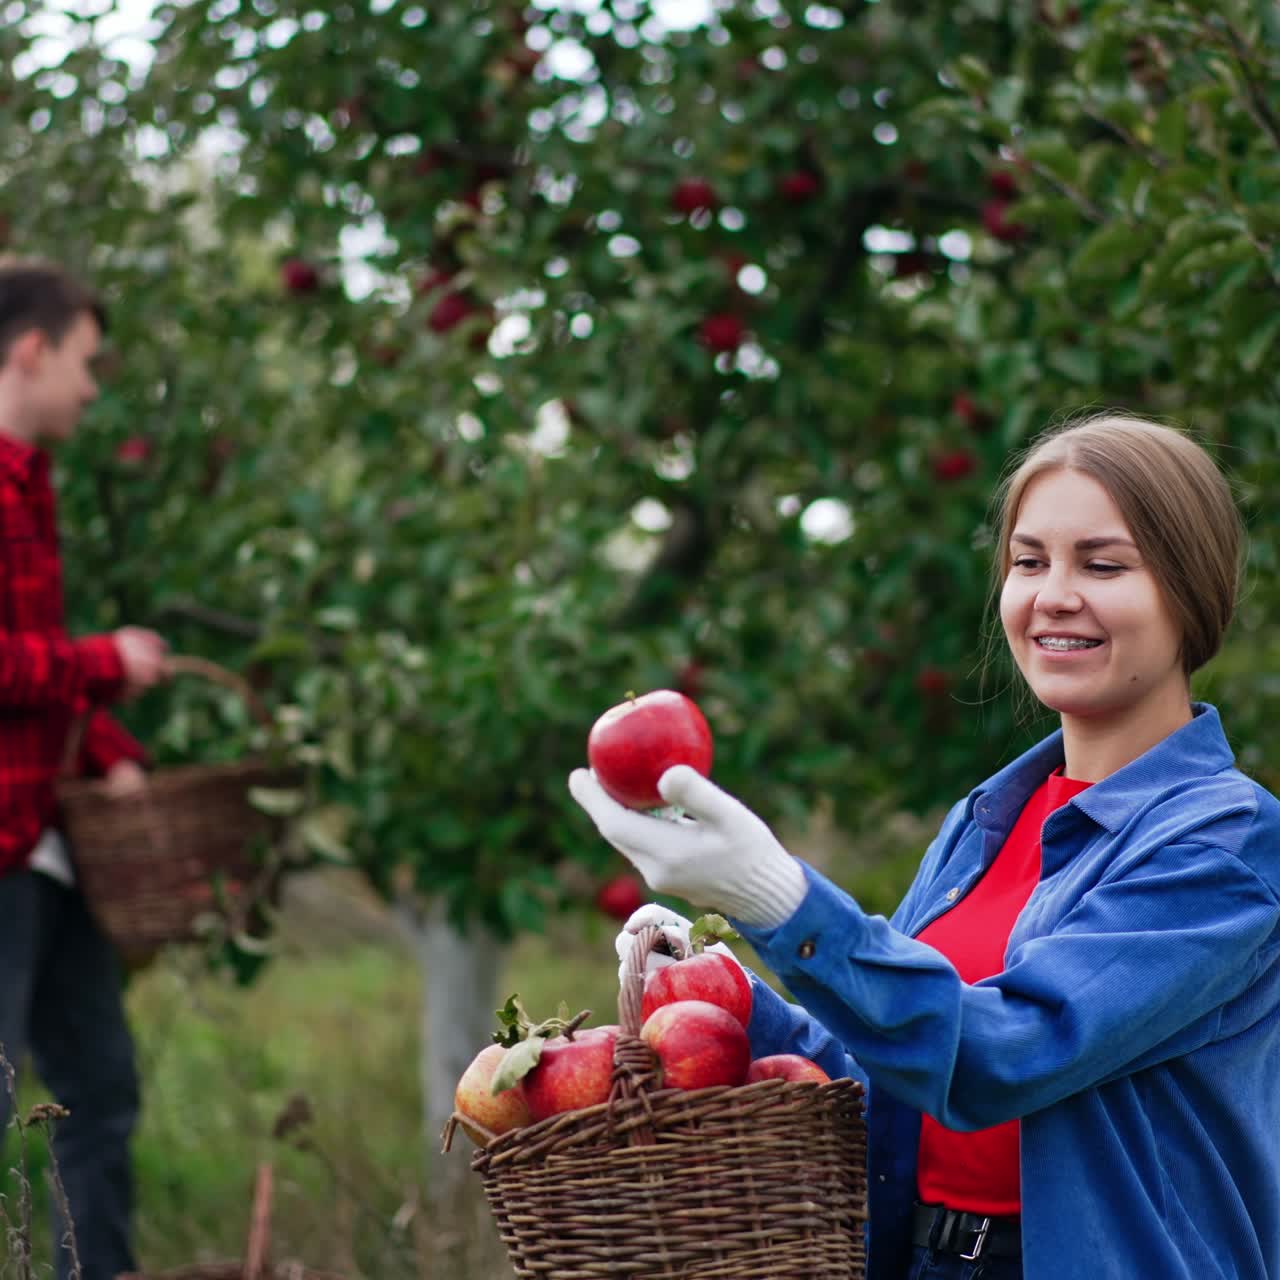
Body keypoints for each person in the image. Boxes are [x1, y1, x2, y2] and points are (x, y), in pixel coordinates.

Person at [570, 411, 1280, 1280]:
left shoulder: (1224, 846)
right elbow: (898, 1074)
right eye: (1029, 562)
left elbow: (1002, 1054)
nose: (1054, 594)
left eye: (1103, 564)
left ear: (1188, 591)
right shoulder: (986, 821)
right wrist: (719, 991)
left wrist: (777, 898)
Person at [0, 258, 170, 1280]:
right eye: (85, 361)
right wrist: (106, 664)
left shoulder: (29, 481)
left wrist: (109, 750)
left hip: (41, 842)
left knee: (98, 1089)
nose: (94, 387)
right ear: (31, 348)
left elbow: (31, 653)